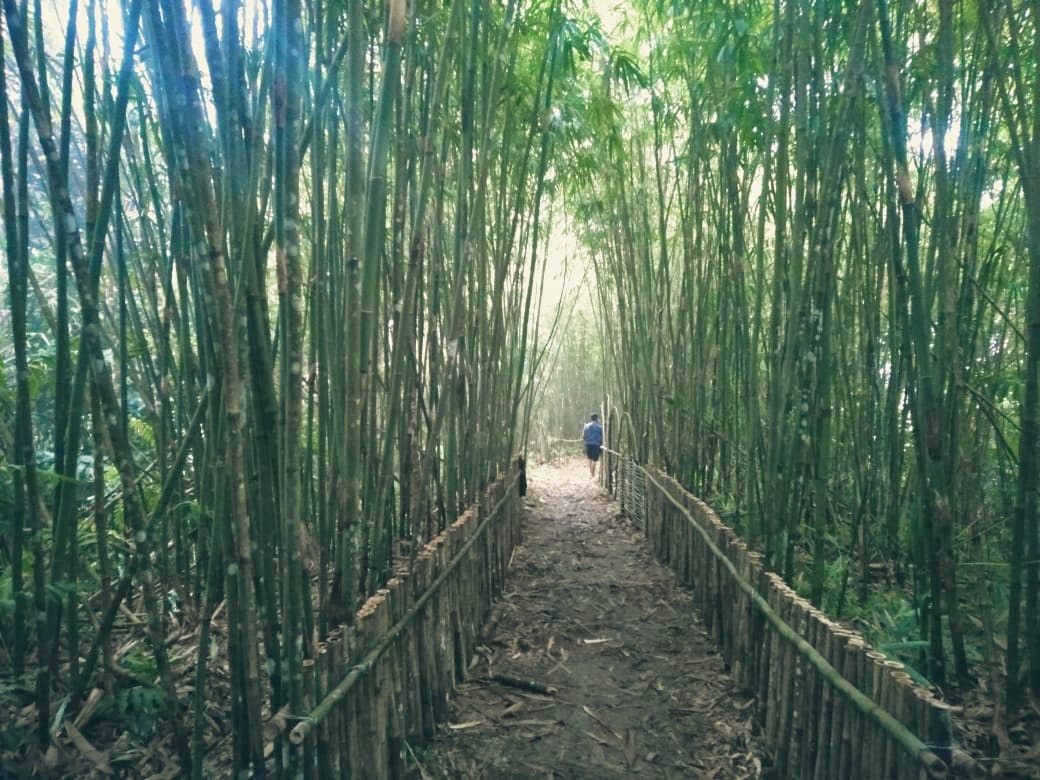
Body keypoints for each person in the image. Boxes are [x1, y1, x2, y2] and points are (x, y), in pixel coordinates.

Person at [581, 413, 603, 478]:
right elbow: (601, 437)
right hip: (596, 445)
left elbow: (583, 436)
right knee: (594, 460)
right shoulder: (600, 427)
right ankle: (593, 475)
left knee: (590, 459)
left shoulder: (586, 426)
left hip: (588, 444)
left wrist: (586, 441)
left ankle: (591, 473)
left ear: (591, 418)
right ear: (596, 419)